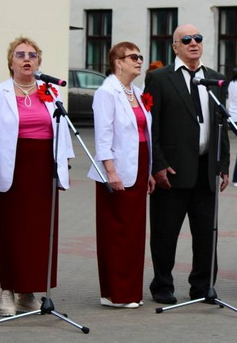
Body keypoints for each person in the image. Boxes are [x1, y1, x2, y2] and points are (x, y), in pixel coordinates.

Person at [0, 36, 74, 317]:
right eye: (20, 54)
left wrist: (63, 168)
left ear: (39, 62)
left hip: (43, 167)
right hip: (12, 166)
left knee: (39, 232)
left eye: (32, 55)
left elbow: (62, 130)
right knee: (12, 230)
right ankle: (8, 289)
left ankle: (29, 291)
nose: (27, 59)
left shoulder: (50, 91)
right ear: (10, 61)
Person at [144, 24, 230, 305]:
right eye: (187, 40)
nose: (194, 43)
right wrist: (157, 164)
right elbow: (151, 125)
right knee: (165, 232)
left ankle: (203, 286)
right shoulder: (159, 78)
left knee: (206, 234)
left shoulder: (215, 78)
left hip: (206, 169)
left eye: (198, 39)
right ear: (175, 47)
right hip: (172, 170)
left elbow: (222, 124)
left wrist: (223, 163)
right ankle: (162, 285)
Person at [90, 42, 155, 308]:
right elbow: (103, 136)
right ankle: (115, 293)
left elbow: (145, 135)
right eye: (133, 57)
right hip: (116, 169)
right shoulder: (107, 92)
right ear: (118, 61)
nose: (139, 61)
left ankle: (130, 290)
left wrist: (149, 171)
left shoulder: (136, 92)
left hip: (138, 166)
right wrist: (110, 170)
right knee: (117, 232)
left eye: (140, 56)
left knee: (134, 232)